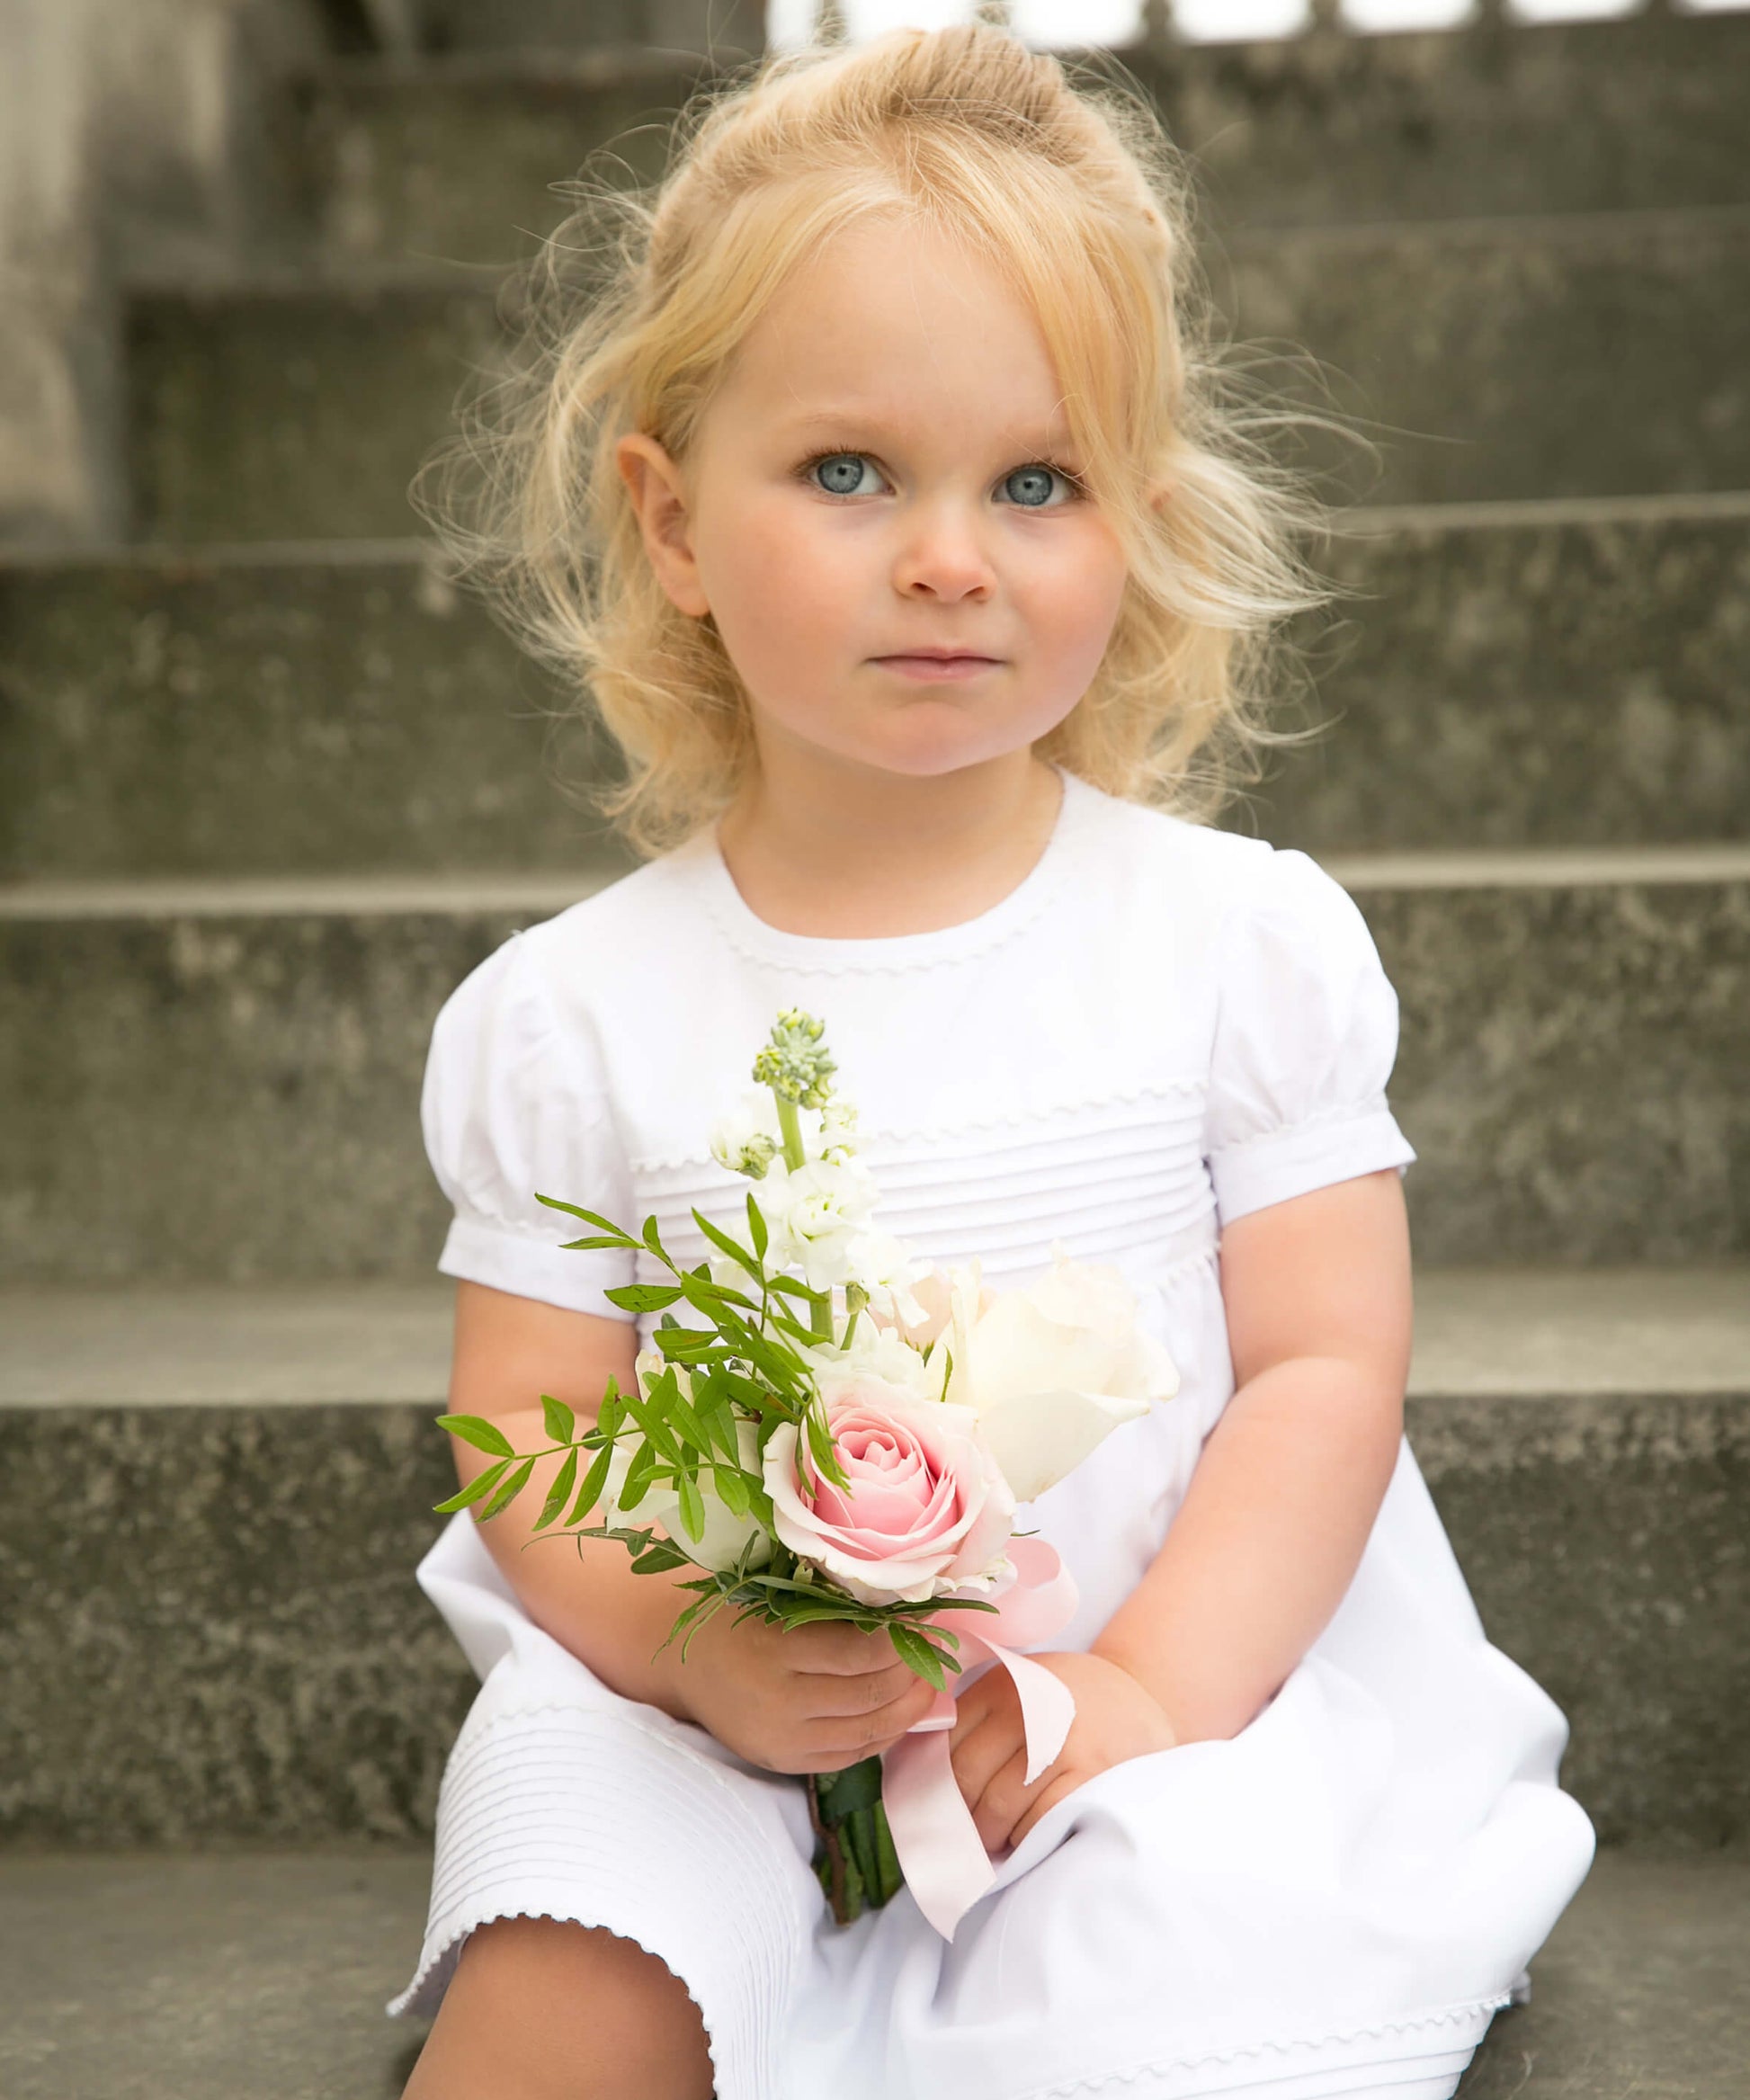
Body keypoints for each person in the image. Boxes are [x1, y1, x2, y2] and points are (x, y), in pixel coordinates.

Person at [390, 24, 1594, 2100]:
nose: (949, 552)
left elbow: (1321, 1366)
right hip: (706, 1696)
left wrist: (1125, 1692)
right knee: (567, 1971)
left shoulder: (1232, 945)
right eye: (849, 471)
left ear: (1127, 519)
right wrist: (695, 1649)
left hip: (1153, 1682)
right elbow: (526, 1422)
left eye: (1032, 481)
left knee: (1165, 1967)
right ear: (670, 522)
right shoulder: (569, 1015)